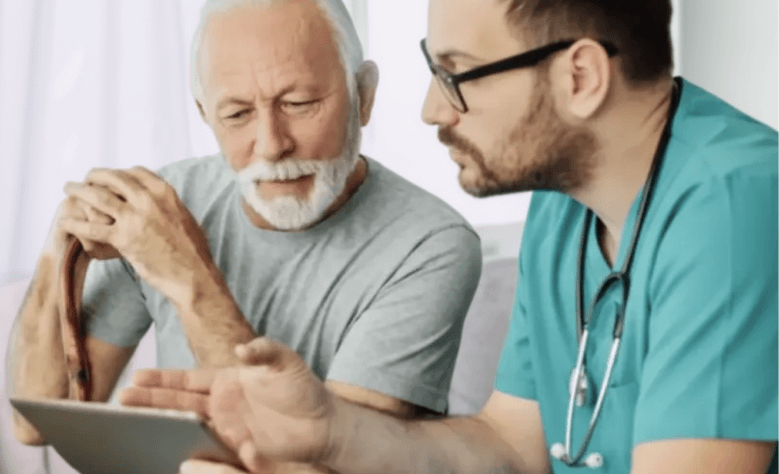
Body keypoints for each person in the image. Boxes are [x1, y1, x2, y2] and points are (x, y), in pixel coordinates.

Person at [119, 0, 779, 473]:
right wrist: (329, 429)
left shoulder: (736, 204)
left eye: (457, 74)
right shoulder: (564, 205)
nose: (432, 109)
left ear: (579, 77)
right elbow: (509, 446)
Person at [8, 0, 482, 467]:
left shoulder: (432, 244)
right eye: (236, 114)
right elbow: (36, 424)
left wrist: (186, 273)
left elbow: (324, 465)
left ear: (365, 96)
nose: (272, 145)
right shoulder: (168, 202)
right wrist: (62, 247)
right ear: (205, 114)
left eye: (299, 104)